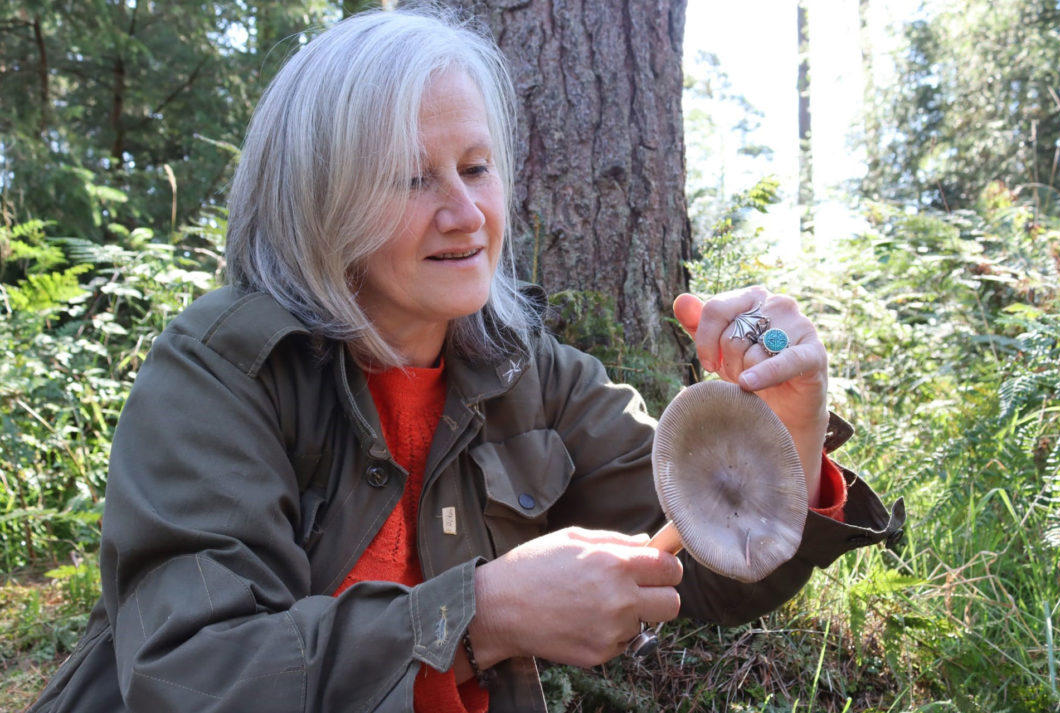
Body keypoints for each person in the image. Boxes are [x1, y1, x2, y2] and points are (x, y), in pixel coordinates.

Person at [29, 6, 904, 713]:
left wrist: (785, 434)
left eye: (476, 167)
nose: (464, 213)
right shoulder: (222, 371)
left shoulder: (532, 375)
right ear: (318, 203)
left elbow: (711, 573)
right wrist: (481, 615)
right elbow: (196, 674)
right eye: (412, 178)